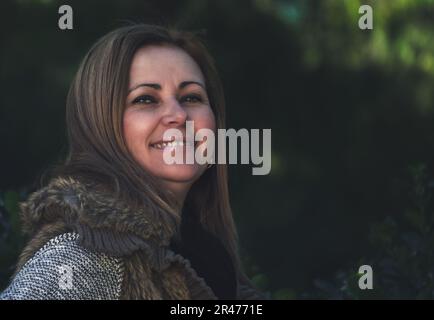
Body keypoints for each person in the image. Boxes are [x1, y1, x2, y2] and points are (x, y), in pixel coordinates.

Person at [0, 24, 265, 300]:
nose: (178, 115)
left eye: (191, 97)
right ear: (100, 125)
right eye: (146, 99)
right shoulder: (83, 255)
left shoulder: (210, 257)